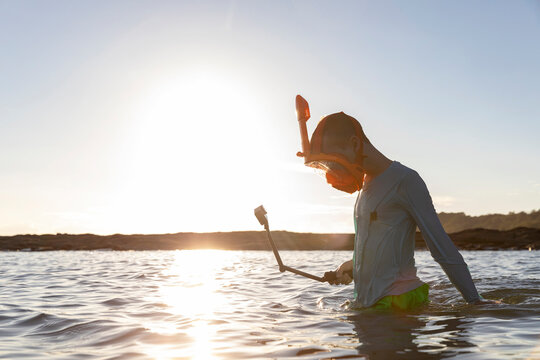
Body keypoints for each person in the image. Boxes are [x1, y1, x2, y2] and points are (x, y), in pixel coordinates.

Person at [296, 101, 496, 309]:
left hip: (400, 308)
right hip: (370, 309)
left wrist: (475, 301)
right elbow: (377, 246)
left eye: (334, 164)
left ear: (354, 144)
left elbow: (442, 250)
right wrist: (353, 267)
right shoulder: (364, 189)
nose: (333, 174)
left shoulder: (405, 181)